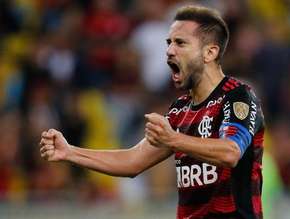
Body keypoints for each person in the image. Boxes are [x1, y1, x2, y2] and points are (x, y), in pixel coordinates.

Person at [40, 5, 265, 219]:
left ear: (209, 52)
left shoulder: (237, 96)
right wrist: (70, 152)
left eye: (180, 43)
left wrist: (173, 139)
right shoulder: (179, 110)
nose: (169, 51)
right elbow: (133, 160)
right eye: (168, 43)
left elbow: (231, 152)